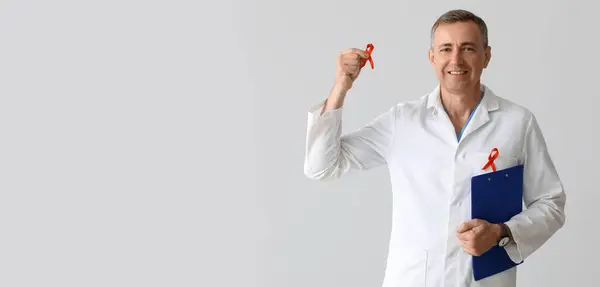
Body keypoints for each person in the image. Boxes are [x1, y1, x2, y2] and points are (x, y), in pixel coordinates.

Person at [303, 9, 566, 287]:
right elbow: (322, 167)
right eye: (445, 49)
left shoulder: (516, 123)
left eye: (468, 48)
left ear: (486, 56)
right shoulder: (402, 122)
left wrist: (503, 232)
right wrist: (339, 89)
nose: (456, 60)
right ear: (432, 57)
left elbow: (551, 203)